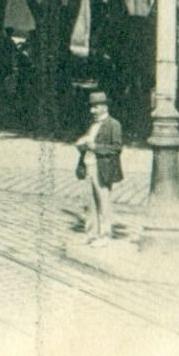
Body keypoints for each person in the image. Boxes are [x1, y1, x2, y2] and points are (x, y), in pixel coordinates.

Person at [75, 90, 124, 246]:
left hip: (102, 168)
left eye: (95, 108)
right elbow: (89, 143)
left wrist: (95, 146)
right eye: (91, 108)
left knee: (103, 202)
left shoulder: (114, 124)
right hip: (88, 165)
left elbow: (116, 148)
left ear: (104, 107)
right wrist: (81, 145)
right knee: (89, 202)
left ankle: (104, 235)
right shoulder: (92, 124)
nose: (92, 111)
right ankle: (91, 234)